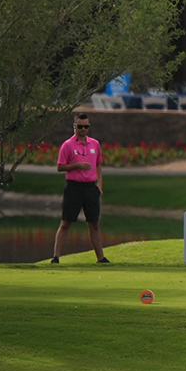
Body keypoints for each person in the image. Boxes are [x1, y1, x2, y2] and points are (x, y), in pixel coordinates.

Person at [52, 113, 109, 265]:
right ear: (75, 126)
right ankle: (56, 257)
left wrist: (99, 185)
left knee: (94, 223)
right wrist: (76, 165)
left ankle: (101, 258)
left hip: (90, 188)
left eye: (86, 126)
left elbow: (98, 165)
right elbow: (60, 167)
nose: (83, 129)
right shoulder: (68, 145)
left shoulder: (94, 144)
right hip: (74, 187)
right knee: (66, 222)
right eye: (80, 126)